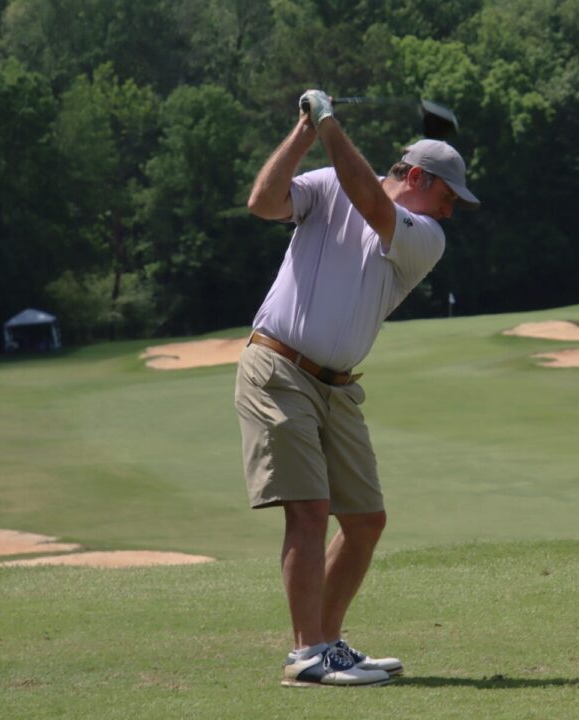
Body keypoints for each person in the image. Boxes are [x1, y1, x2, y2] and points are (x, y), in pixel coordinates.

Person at [236, 89, 479, 687]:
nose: (450, 211)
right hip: (278, 368)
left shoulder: (426, 236)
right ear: (418, 177)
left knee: (366, 520)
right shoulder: (325, 184)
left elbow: (370, 201)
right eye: (448, 196)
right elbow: (262, 202)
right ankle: (307, 655)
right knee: (310, 510)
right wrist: (304, 131)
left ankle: (326, 642)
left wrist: (329, 122)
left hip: (338, 389)